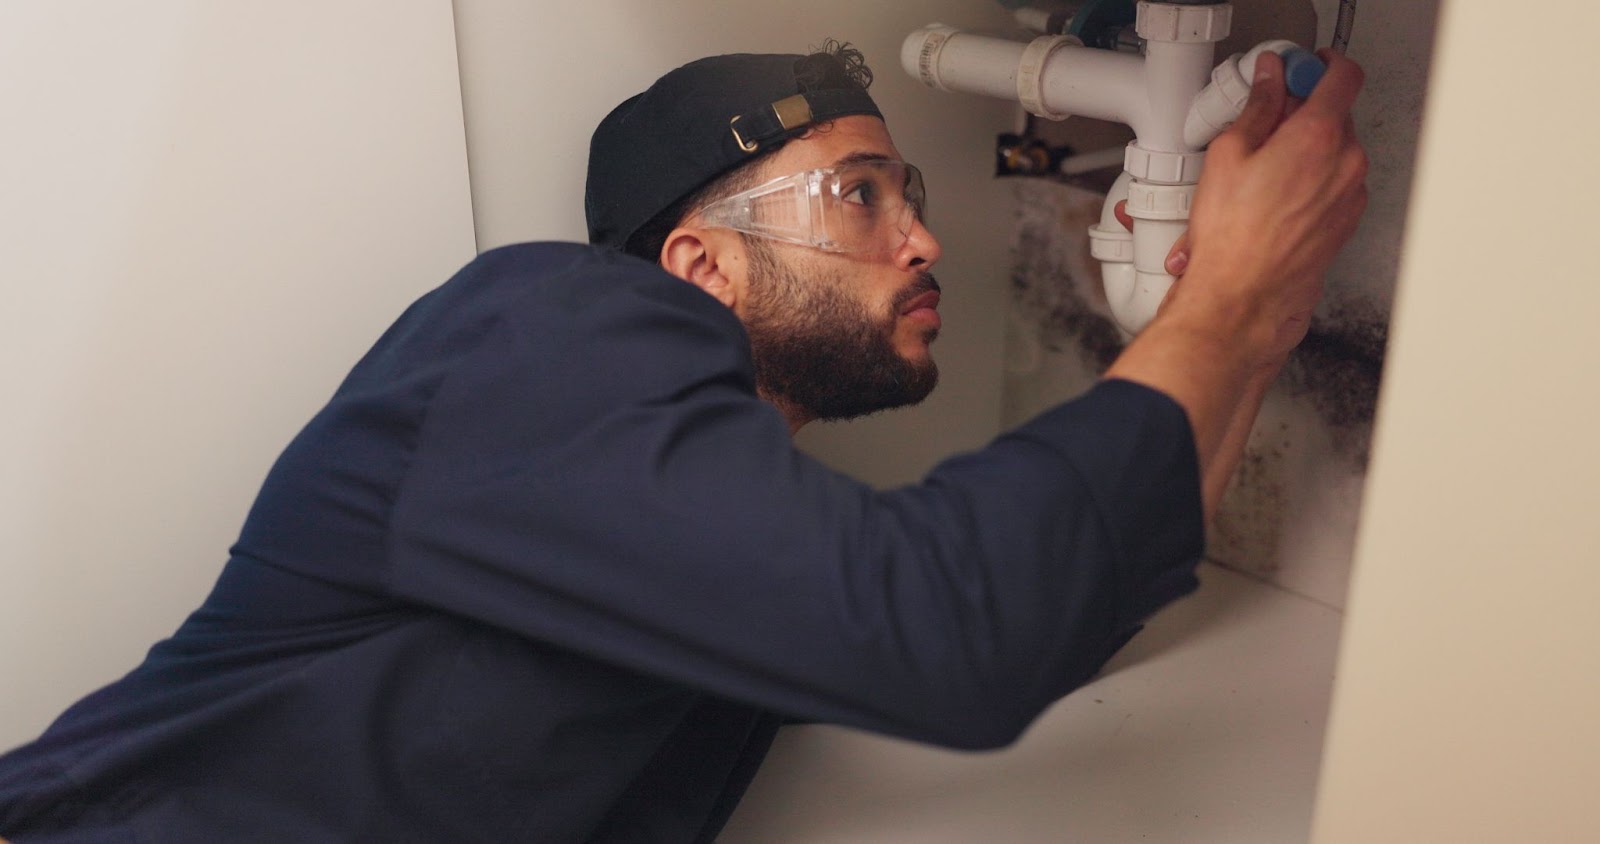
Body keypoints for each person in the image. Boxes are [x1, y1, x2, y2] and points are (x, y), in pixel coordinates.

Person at [0, 39, 1367, 843]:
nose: (925, 237)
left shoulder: (684, 527)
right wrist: (1227, 300)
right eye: (862, 193)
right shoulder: (541, 322)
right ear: (697, 265)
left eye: (916, 194)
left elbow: (1055, 592)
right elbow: (956, 628)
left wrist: (1250, 323)